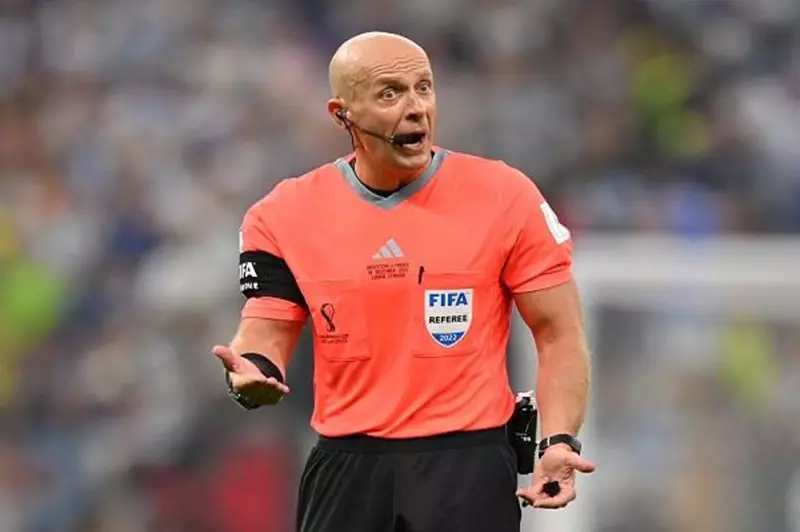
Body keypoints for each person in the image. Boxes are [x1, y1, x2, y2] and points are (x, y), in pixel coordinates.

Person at [212, 31, 595, 532]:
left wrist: (559, 440)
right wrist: (250, 373)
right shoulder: (282, 215)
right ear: (342, 114)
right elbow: (266, 328)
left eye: (423, 88)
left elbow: (559, 332)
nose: (415, 108)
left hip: (467, 464)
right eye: (390, 93)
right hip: (346, 467)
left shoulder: (506, 196)